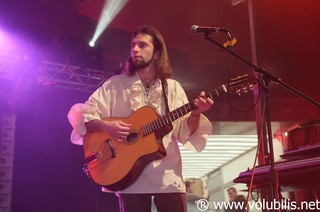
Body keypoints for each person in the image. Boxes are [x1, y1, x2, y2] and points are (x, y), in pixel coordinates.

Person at [68, 25, 214, 212]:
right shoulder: (115, 85)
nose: (135, 49)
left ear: (156, 53)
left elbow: (184, 132)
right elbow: (83, 114)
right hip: (127, 174)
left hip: (167, 175)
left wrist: (195, 114)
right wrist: (107, 126)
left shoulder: (172, 88)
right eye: (133, 45)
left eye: (142, 45)